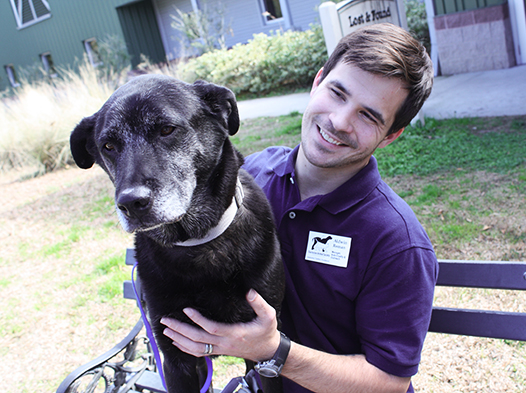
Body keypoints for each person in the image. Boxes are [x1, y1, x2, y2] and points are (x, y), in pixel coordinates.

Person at [161, 23, 438, 393]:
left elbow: (389, 381)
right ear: (318, 81)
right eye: (337, 92)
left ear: (391, 135)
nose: (340, 122)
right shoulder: (250, 177)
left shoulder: (396, 241)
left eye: (368, 116)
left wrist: (274, 352)